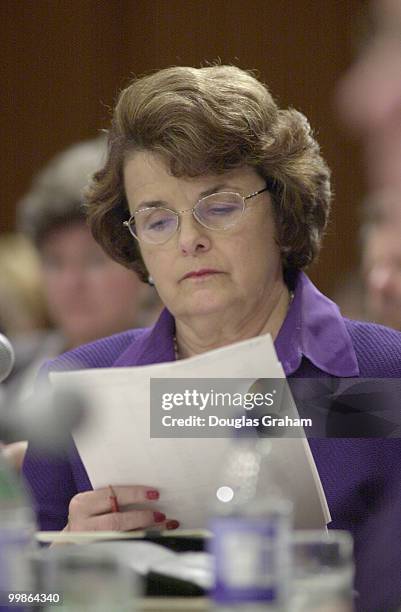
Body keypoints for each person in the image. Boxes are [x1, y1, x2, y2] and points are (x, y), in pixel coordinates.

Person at [22, 65, 401, 611]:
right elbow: (16, 593)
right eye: (158, 220)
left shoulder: (383, 376)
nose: (190, 240)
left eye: (219, 206)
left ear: (283, 210)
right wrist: (67, 567)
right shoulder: (75, 388)